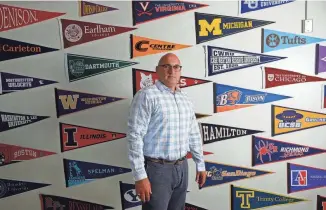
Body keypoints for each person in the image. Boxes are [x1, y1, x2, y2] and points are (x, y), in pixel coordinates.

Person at [126, 53, 207, 210]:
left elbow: (193, 133)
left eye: (176, 67)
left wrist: (200, 164)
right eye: (166, 66)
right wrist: (140, 176)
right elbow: (134, 136)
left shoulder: (186, 99)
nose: (172, 71)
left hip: (182, 167)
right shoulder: (146, 96)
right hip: (157, 170)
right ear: (157, 70)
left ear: (180, 71)